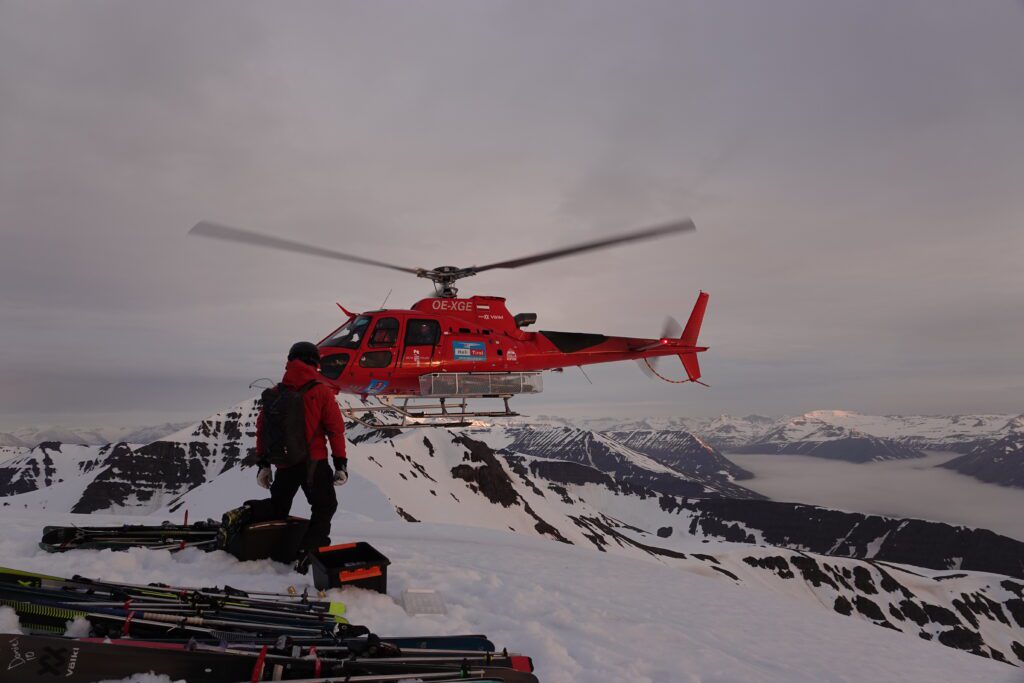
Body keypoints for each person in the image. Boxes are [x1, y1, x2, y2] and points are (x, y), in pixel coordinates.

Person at [247, 341, 349, 566]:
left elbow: (262, 429)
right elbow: (335, 430)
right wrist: (340, 463)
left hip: (285, 463)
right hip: (314, 463)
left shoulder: (275, 393)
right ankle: (310, 554)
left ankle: (253, 525)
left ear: (290, 361)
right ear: (315, 362)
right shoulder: (321, 391)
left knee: (278, 507)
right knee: (324, 506)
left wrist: (264, 464)